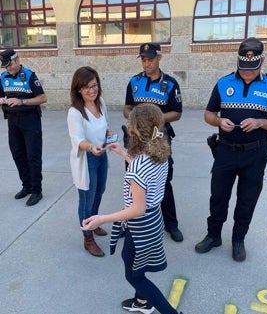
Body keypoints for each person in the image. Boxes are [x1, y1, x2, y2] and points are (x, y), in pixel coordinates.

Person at [82, 103, 184, 314]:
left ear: (135, 130)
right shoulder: (161, 151)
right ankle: (142, 301)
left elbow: (137, 209)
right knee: (132, 260)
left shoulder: (139, 166)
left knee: (134, 275)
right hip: (155, 218)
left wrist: (103, 218)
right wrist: (122, 153)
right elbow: (143, 170)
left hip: (141, 225)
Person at [195, 37, 267, 262]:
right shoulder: (223, 83)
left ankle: (238, 240)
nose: (247, 72)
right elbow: (208, 114)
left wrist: (261, 123)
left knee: (247, 199)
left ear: (262, 61)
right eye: (243, 68)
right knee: (218, 196)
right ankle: (213, 236)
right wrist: (219, 122)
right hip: (225, 151)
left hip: (256, 153)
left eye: (252, 68)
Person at [123, 42, 183, 242]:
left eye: (150, 59)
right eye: (143, 59)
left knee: (163, 182)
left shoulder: (171, 84)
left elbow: (177, 113)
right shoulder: (134, 81)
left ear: (159, 58)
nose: (146, 63)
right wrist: (134, 119)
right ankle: (128, 221)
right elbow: (127, 108)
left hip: (159, 137)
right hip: (135, 139)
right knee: (134, 180)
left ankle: (171, 224)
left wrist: (155, 119)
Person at [67, 66, 113, 257]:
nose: (91, 90)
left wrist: (108, 134)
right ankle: (88, 238)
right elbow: (77, 140)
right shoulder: (75, 112)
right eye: (86, 87)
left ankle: (94, 223)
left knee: (99, 192)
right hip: (87, 160)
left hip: (102, 155)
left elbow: (105, 125)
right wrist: (91, 147)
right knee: (86, 199)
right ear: (78, 89)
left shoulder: (100, 102)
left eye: (94, 85)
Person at [0, 49, 47, 206]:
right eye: (5, 66)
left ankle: (36, 190)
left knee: (33, 156)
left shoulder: (29, 75)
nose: (8, 69)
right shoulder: (3, 77)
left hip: (30, 120)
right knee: (17, 154)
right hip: (13, 121)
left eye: (10, 65)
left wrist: (22, 102)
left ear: (17, 59)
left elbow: (42, 98)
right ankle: (26, 186)